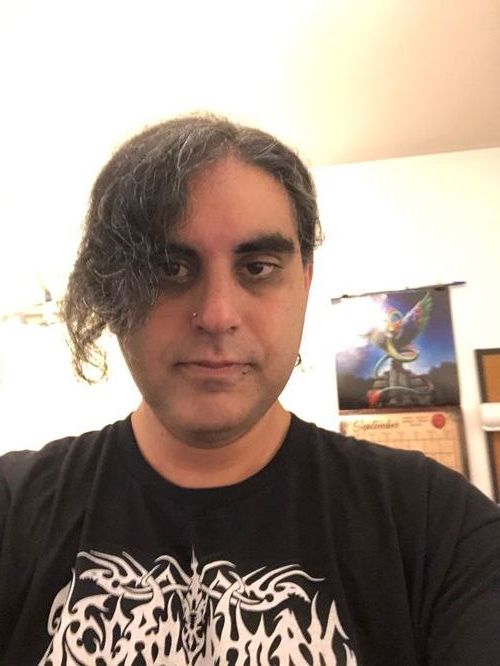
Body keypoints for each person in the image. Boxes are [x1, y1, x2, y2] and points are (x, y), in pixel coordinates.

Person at [0, 115, 499, 666]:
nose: (217, 315)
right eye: (170, 267)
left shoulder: (438, 527)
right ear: (113, 293)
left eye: (258, 267)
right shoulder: (12, 510)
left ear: (304, 281)